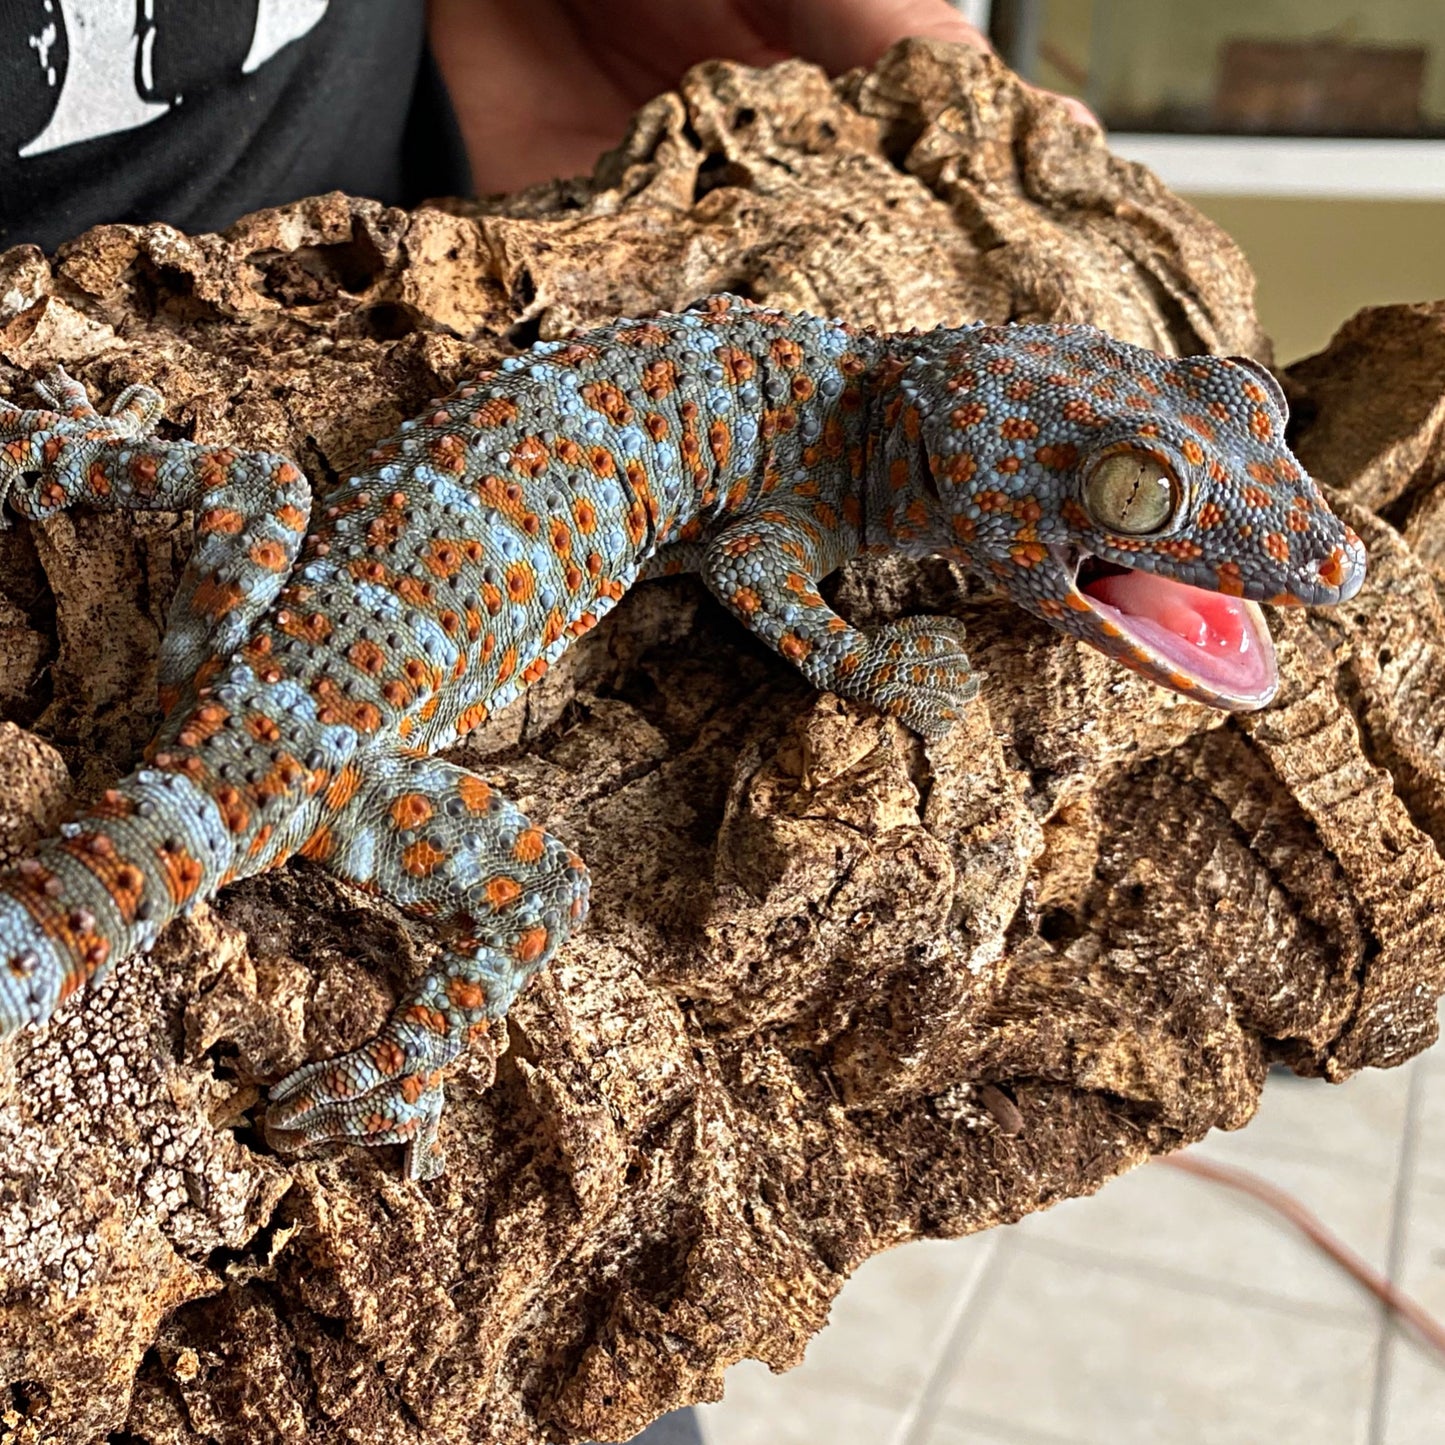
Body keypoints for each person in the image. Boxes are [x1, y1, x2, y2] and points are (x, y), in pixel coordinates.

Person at [0, 5, 1086, 1443]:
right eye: (1115, 497)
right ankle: (406, 1062)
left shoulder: (831, 381)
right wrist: (870, 664)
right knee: (540, 895)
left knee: (254, 494)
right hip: (327, 766)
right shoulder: (829, 460)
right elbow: (755, 566)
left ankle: (52, 453)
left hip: (234, 672)